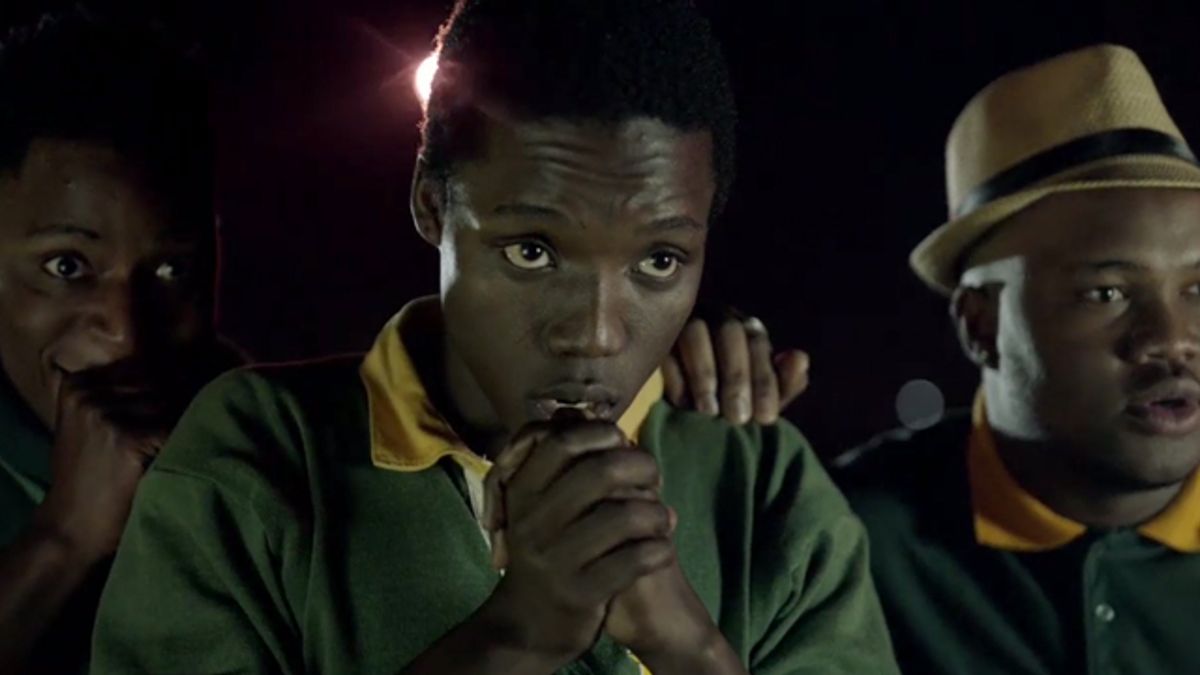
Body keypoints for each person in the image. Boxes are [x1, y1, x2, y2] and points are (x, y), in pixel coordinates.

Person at [91, 1, 898, 673]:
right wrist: (516, 635)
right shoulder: (254, 459)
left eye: (658, 260)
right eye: (532, 250)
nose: (594, 333)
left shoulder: (763, 485)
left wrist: (688, 647)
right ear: (431, 205)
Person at [839, 44, 1200, 674]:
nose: (1171, 338)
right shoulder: (847, 542)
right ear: (981, 325)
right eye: (1106, 293)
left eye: (1198, 289)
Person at [0, 11, 244, 673]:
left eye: (171, 271)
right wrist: (65, 535)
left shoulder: (266, 443)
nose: (127, 332)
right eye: (67, 266)